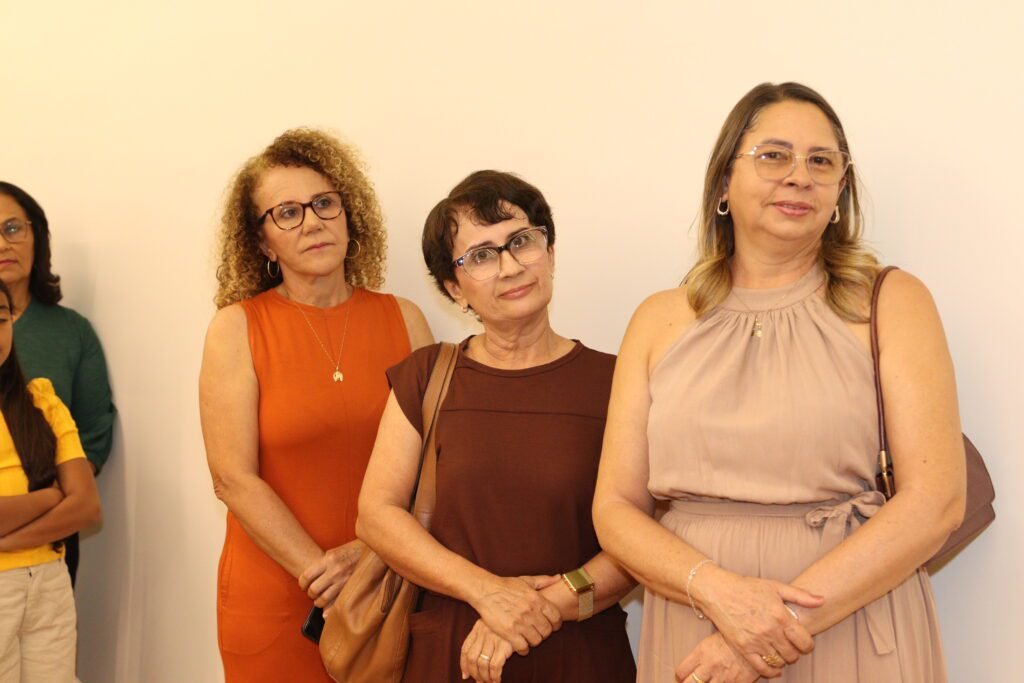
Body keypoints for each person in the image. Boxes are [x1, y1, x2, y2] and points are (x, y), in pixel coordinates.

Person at [592, 82, 965, 683]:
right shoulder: (657, 320)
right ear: (723, 184)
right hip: (696, 621)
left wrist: (772, 625)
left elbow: (937, 500)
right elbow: (614, 509)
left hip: (846, 621)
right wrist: (716, 592)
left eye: (821, 161)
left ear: (840, 190)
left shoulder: (893, 302)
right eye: (773, 155)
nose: (799, 176)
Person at [357, 170, 637, 683]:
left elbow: (641, 535)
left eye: (521, 241)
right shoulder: (426, 376)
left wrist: (536, 610)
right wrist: (486, 592)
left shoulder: (617, 381)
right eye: (482, 256)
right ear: (454, 288)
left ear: (550, 253)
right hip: (452, 650)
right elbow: (377, 515)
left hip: (580, 652)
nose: (510, 267)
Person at [199, 128, 433, 682]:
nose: (312, 222)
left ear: (349, 215)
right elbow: (233, 479)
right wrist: (325, 577)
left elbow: (436, 461)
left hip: (388, 585)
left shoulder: (405, 319)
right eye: (287, 213)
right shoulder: (236, 329)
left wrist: (368, 556)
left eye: (324, 203)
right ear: (262, 243)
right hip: (278, 597)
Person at [0, 181, 116, 586]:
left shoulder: (71, 332)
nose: (2, 244)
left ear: (38, 237)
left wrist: (59, 498)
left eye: (13, 228)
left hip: (52, 536)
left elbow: (95, 430)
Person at [0, 278, 102, 682]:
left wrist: (8, 542)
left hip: (49, 581)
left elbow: (87, 507)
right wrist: (49, 498)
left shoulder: (42, 401)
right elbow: (68, 499)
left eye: (1, 319)